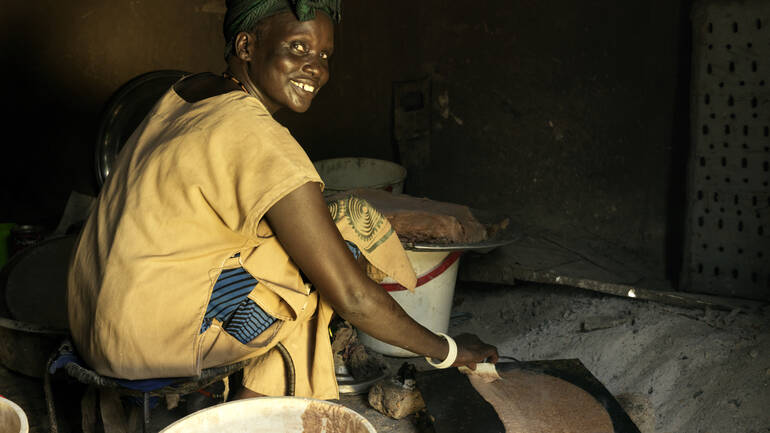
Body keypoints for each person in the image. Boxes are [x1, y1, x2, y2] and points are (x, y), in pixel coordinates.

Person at [67, 0, 498, 402]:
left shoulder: (189, 90)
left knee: (307, 243)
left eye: (325, 56)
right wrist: (448, 350)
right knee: (318, 280)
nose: (316, 69)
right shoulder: (259, 137)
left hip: (92, 319)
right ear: (246, 45)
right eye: (298, 48)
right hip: (140, 343)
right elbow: (353, 296)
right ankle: (259, 417)